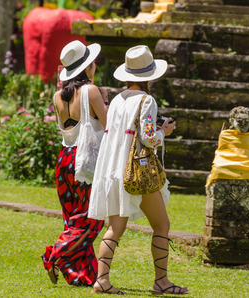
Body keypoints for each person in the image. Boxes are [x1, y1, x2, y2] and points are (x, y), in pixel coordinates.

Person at [88, 45, 188, 295]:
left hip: (113, 169)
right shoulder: (147, 99)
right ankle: (161, 281)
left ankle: (102, 280)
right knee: (162, 225)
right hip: (137, 172)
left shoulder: (119, 99)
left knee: (114, 228)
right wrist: (164, 131)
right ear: (150, 76)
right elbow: (147, 136)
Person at [42, 40, 109, 286]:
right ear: (88, 66)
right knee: (92, 217)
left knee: (73, 217)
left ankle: (79, 274)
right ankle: (54, 255)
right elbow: (107, 124)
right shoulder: (91, 91)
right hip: (86, 159)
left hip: (65, 159)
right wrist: (106, 100)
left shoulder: (58, 95)